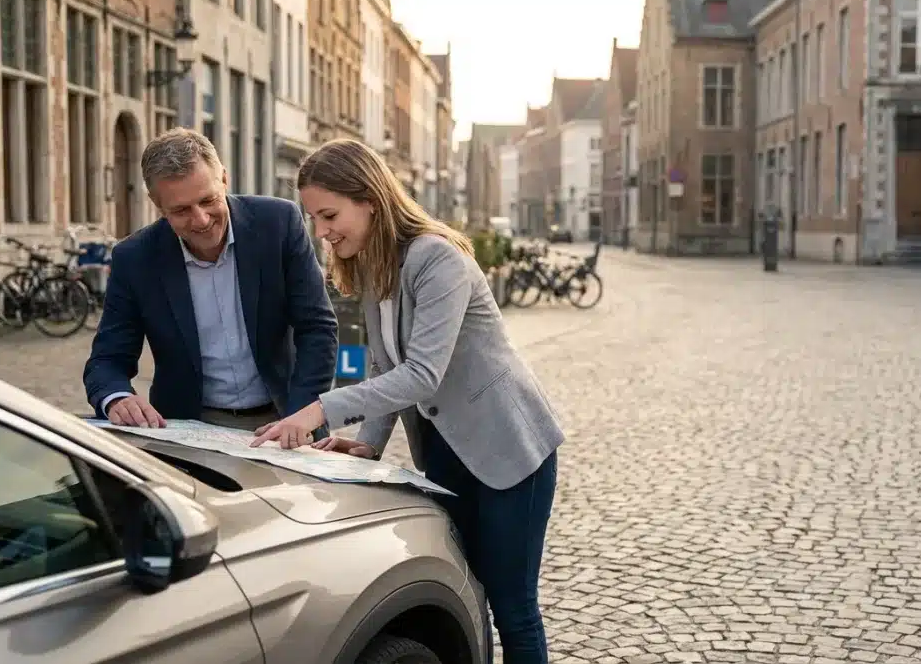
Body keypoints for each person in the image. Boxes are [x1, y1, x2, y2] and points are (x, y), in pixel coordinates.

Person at [249, 138, 564, 664]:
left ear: (369, 198)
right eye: (315, 219)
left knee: (513, 606)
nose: (322, 231)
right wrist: (367, 443)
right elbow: (383, 366)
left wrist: (321, 409)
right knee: (472, 591)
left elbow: (421, 374)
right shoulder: (376, 266)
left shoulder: (437, 258)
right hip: (444, 454)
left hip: (509, 450)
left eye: (330, 215)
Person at [83, 128, 338, 432]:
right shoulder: (135, 258)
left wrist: (302, 416)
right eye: (180, 210)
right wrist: (117, 398)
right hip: (190, 428)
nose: (201, 220)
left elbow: (317, 329)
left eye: (208, 200)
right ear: (156, 203)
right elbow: (107, 359)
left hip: (286, 414)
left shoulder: (278, 223)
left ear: (224, 179)